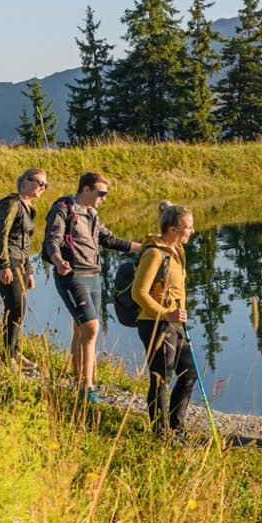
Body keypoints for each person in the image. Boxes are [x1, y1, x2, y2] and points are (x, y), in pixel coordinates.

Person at [43, 170, 141, 404]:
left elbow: (109, 239)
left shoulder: (92, 214)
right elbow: (52, 240)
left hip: (93, 276)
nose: (104, 198)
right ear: (86, 190)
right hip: (71, 275)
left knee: (81, 329)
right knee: (92, 328)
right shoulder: (63, 209)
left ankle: (79, 381)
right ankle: (88, 388)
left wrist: (145, 246)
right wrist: (57, 261)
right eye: (101, 193)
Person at [131, 201, 196, 437]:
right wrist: (165, 313)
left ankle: (176, 427)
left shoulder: (177, 250)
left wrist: (179, 314)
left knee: (189, 372)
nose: (192, 231)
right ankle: (160, 433)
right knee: (162, 378)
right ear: (173, 230)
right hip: (154, 323)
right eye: (188, 227)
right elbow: (138, 293)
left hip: (174, 323)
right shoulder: (154, 254)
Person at [0, 167, 48, 369]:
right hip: (9, 261)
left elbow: (26, 243)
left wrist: (30, 271)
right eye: (39, 182)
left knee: (19, 307)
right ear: (25, 182)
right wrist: (3, 266)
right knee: (16, 305)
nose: (43, 187)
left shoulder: (29, 207)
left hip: (21, 263)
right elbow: (1, 236)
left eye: (45, 185)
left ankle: (14, 353)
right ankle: (9, 356)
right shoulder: (11, 204)